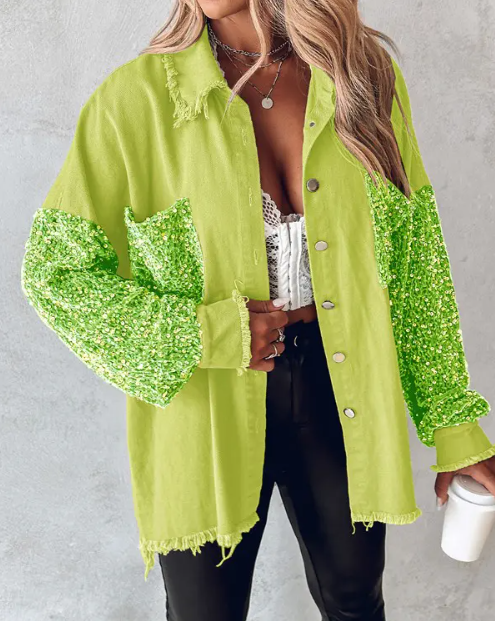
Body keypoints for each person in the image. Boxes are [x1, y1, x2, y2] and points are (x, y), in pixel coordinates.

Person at [20, 1, 495, 619]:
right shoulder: (136, 101)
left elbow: (414, 265)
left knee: (356, 600)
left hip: (339, 388)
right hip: (206, 401)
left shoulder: (363, 77)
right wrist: (204, 335)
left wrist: (455, 428)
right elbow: (54, 274)